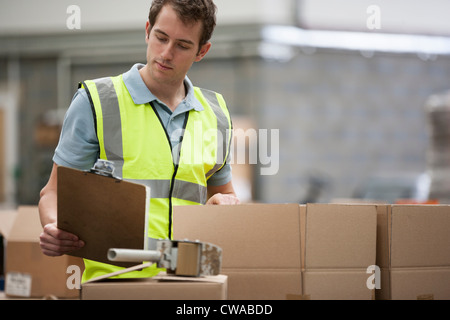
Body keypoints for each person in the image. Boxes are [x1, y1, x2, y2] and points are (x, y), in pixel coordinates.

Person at [39, 0, 240, 282]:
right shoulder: (96, 101)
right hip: (115, 282)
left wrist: (227, 204)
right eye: (161, 38)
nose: (166, 53)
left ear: (202, 51)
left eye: (182, 45)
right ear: (148, 31)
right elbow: (53, 192)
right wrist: (53, 226)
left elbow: (224, 196)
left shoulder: (216, 113)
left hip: (192, 283)